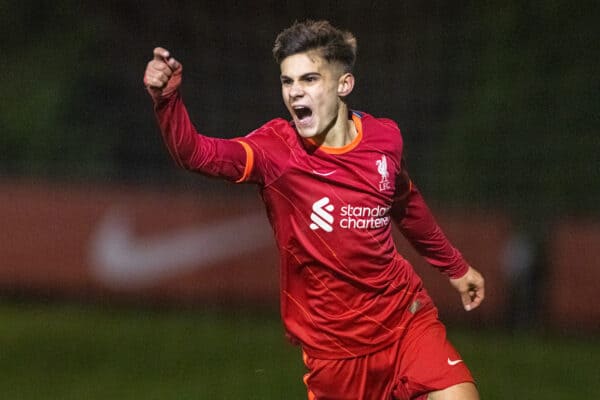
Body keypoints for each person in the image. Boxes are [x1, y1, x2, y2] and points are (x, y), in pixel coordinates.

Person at [144, 20, 484, 400]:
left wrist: (455, 267)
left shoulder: (385, 139)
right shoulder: (276, 152)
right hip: (336, 354)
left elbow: (406, 204)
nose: (294, 93)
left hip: (405, 318)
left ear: (344, 85)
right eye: (287, 82)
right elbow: (198, 154)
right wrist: (167, 101)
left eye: (308, 80)